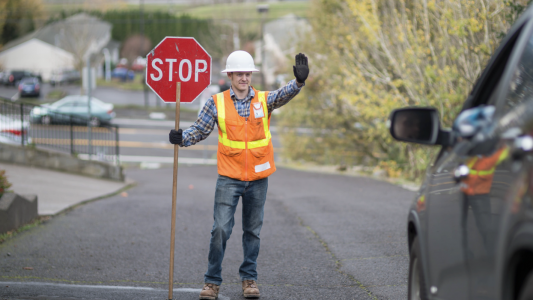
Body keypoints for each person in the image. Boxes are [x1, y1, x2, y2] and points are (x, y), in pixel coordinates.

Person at [168, 50, 309, 300]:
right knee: (220, 229)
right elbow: (200, 130)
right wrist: (182, 138)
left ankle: (249, 279)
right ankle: (212, 282)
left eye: (247, 73)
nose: (244, 78)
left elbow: (282, 95)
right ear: (230, 75)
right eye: (239, 73)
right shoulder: (217, 102)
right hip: (229, 178)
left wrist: (298, 82)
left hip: (257, 179)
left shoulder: (263, 100)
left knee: (253, 231)